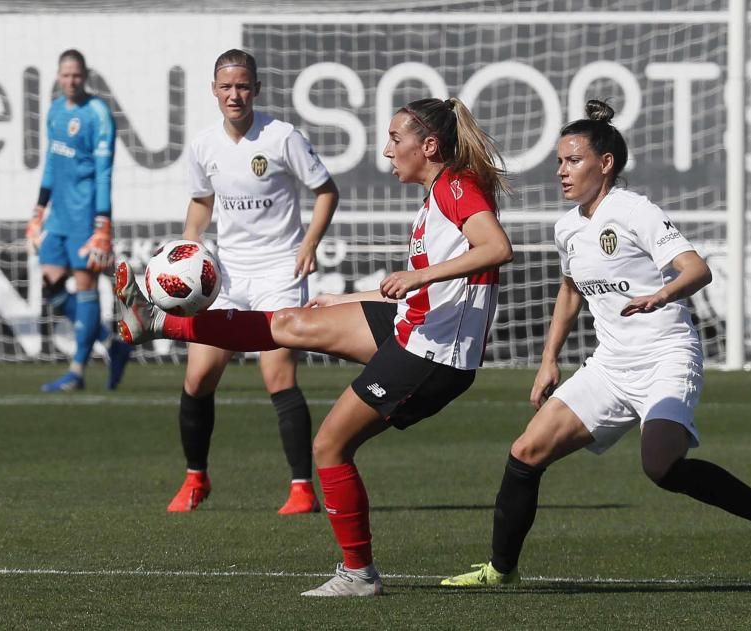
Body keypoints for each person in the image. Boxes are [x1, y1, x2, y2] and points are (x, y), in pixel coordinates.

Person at [113, 96, 513, 596]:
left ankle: (358, 574)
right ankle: (158, 321)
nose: (387, 151)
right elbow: (427, 287)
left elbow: (497, 248)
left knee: (329, 446)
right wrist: (349, 298)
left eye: (395, 139)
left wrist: (419, 273)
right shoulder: (439, 193)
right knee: (292, 322)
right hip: (417, 325)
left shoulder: (456, 187)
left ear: (428, 145)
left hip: (433, 355)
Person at [441, 100, 751, 588]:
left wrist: (662, 294)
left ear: (605, 162)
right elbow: (570, 291)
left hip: (666, 355)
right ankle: (499, 570)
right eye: (558, 161)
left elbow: (697, 269)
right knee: (526, 451)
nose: (561, 171)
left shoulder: (635, 211)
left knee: (660, 465)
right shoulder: (567, 226)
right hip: (611, 365)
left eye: (573, 160)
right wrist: (548, 360)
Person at [165, 49, 339, 515]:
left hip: (280, 271)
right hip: (225, 277)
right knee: (199, 376)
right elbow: (201, 202)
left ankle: (302, 489)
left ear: (256, 89)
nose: (234, 94)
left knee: (277, 374)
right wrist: (187, 252)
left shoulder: (282, 137)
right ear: (214, 91)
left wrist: (309, 244)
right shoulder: (204, 146)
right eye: (226, 87)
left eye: (243, 86)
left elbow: (326, 191)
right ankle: (195, 479)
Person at [26, 49, 132, 392]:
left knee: (85, 287)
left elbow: (104, 173)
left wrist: (103, 224)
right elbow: (51, 164)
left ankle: (76, 372)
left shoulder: (98, 113)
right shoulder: (55, 111)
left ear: (85, 76)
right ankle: (113, 344)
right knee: (53, 285)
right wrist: (38, 211)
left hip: (87, 215)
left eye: (77, 75)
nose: (71, 81)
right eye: (65, 75)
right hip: (58, 217)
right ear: (58, 76)